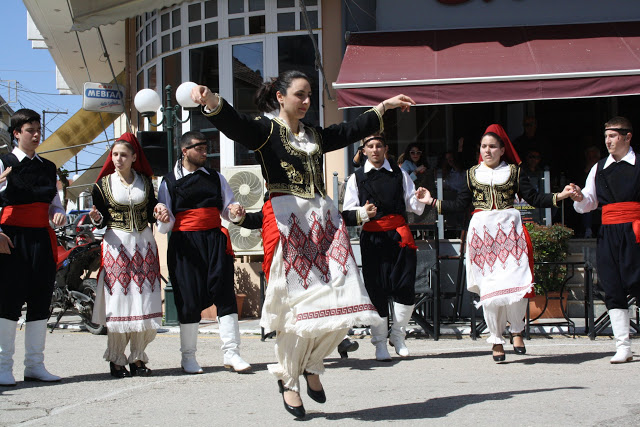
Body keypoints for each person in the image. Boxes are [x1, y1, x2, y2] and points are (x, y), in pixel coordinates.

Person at [190, 70, 415, 418]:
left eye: (310, 95)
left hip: (322, 224)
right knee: (294, 309)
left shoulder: (314, 135)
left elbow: (348, 130)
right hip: (285, 222)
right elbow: (236, 125)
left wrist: (382, 106)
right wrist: (212, 102)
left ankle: (311, 363)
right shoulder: (266, 131)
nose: (307, 101)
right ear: (280, 97)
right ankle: (288, 380)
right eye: (300, 95)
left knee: (344, 300)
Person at [416, 124, 576, 362]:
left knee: (516, 285)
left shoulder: (514, 172)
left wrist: (559, 196)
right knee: (490, 290)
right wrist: (432, 201)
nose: (487, 151)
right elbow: (461, 205)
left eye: (492, 146)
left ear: (502, 149)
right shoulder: (472, 174)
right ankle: (496, 339)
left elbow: (533, 198)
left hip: (510, 230)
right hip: (482, 233)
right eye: (483, 146)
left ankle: (517, 330)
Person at [155, 131, 251, 376]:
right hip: (184, 245)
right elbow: (165, 223)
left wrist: (236, 210)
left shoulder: (215, 177)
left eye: (207, 147)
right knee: (187, 299)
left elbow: (228, 211)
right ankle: (188, 357)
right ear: (184, 150)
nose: (205, 152)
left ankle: (232, 353)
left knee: (225, 294)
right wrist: (164, 218)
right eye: (199, 147)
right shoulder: (168, 181)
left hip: (214, 241)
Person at [342, 133, 426, 361]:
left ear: (386, 149)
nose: (375, 150)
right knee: (376, 290)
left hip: (400, 235)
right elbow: (347, 214)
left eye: (379, 145)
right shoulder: (356, 178)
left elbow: (414, 206)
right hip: (373, 238)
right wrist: (362, 213)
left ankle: (398, 336)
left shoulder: (399, 174)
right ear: (364, 150)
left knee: (405, 287)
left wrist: (420, 197)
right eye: (371, 146)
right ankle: (379, 343)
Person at [89, 133, 165, 378]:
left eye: (123, 155)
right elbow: (100, 217)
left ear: (133, 157)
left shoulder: (145, 180)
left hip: (144, 244)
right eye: (115, 155)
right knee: (119, 302)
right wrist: (97, 218)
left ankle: (139, 357)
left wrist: (159, 210)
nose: (118, 159)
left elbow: (151, 211)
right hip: (117, 245)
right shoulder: (102, 185)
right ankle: (117, 358)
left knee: (143, 300)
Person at [0, 109, 67, 387]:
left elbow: (55, 203)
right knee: (8, 300)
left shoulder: (48, 167)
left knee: (41, 298)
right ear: (16, 133)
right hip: (10, 237)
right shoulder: (3, 161)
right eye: (30, 130)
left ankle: (35, 364)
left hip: (41, 236)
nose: (37, 134)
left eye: (39, 130)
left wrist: (58, 213)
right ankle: (3, 366)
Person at [572, 116, 639, 364]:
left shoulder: (638, 164)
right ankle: (623, 345)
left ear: (627, 136)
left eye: (612, 136)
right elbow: (589, 203)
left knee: (638, 281)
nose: (608, 141)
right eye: (606, 136)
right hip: (609, 231)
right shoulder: (599, 168)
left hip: (636, 229)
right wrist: (579, 197)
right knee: (612, 286)